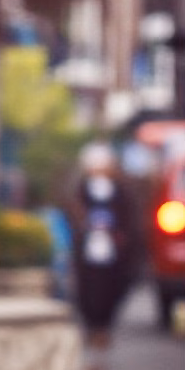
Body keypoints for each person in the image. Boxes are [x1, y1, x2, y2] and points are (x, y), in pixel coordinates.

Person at [69, 140, 136, 347]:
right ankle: (91, 326)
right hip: (88, 247)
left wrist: (119, 236)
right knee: (87, 289)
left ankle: (104, 327)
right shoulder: (80, 190)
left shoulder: (121, 191)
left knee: (111, 287)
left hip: (112, 248)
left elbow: (128, 217)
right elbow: (74, 214)